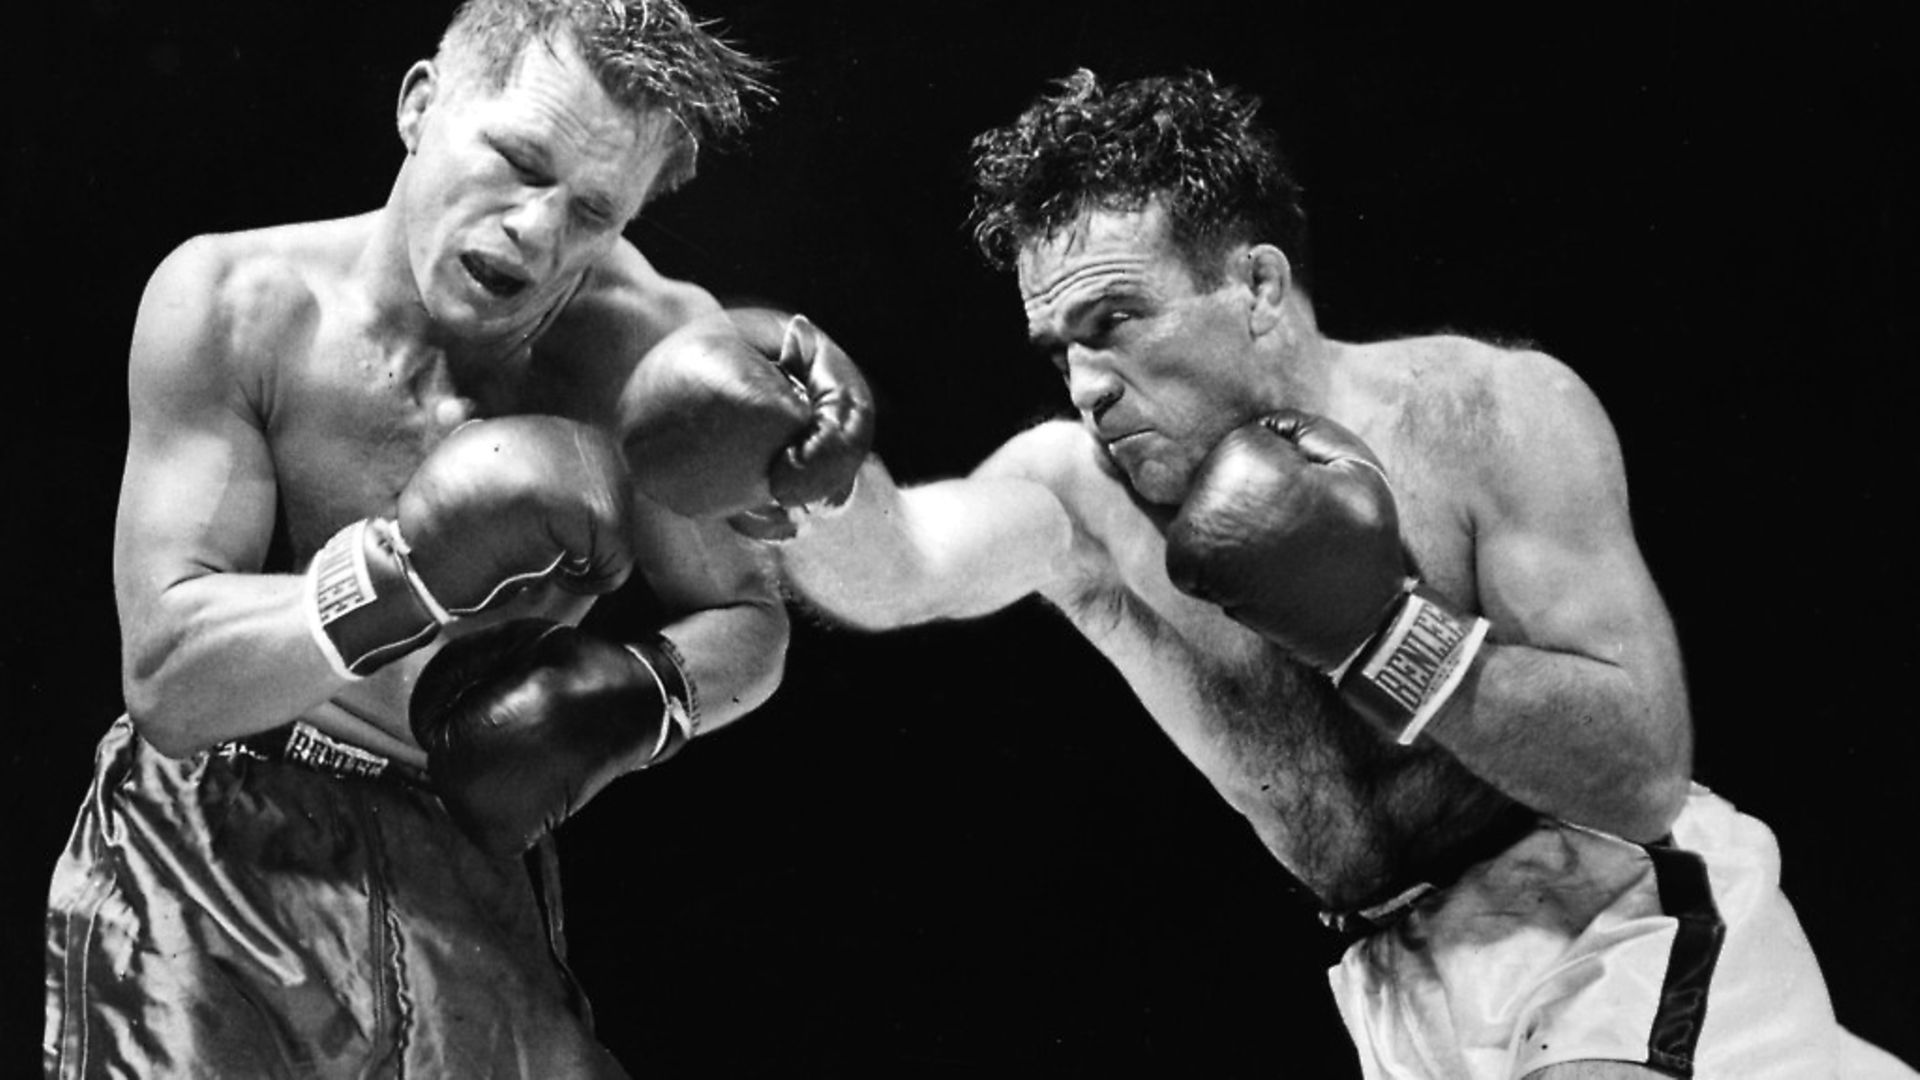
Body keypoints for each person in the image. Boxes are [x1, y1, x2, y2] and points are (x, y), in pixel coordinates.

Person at [773, 69, 1914, 1079]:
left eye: (1116, 319)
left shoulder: (1487, 415)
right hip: (1392, 981)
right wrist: (805, 480)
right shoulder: (1081, 494)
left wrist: (1383, 635)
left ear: (1259, 285)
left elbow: (1641, 777)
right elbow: (902, 568)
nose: (1085, 383)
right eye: (1059, 347)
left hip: (1612, 913)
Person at [42, 1, 872, 1076]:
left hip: (462, 857)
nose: (535, 233)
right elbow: (166, 676)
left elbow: (749, 628)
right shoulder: (238, 306)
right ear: (421, 102)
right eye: (519, 161)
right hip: (207, 845)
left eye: (592, 213)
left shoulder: (644, 357)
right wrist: (411, 572)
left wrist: (634, 699)